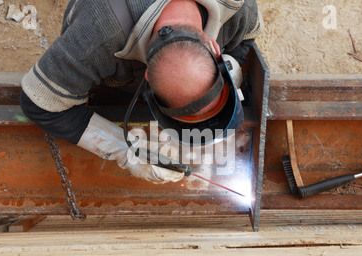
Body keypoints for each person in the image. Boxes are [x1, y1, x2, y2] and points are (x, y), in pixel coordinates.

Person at [20, 0, 263, 184]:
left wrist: (232, 67)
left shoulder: (237, 6)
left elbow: (248, 37)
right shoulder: (99, 35)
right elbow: (39, 103)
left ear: (214, 47)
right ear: (146, 78)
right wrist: (125, 151)